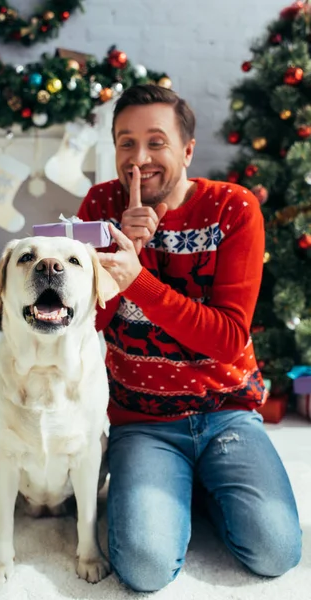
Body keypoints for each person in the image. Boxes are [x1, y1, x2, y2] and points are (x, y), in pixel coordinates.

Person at [77, 84, 302, 593]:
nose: (139, 159)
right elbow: (86, 321)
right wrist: (123, 255)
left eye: (156, 142)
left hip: (226, 411)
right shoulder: (101, 203)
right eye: (125, 143)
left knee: (275, 551)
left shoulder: (233, 209)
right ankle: (175, 484)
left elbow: (226, 338)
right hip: (143, 420)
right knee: (144, 568)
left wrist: (138, 279)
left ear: (187, 150)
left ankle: (199, 485)